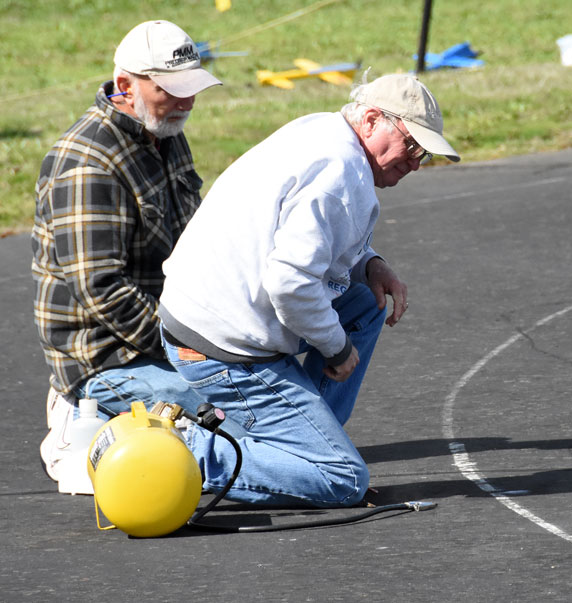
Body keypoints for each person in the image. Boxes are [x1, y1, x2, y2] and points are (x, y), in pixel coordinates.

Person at [158, 73, 460, 507]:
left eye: (423, 155)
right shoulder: (340, 173)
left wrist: (369, 263)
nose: (414, 163)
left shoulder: (321, 131)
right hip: (222, 348)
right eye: (412, 146)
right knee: (342, 480)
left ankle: (305, 441)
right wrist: (337, 349)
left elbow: (306, 238)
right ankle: (187, 454)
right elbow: (291, 283)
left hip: (203, 317)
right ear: (372, 120)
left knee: (365, 304)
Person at [33, 20, 222, 486]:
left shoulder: (165, 131)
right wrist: (189, 347)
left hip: (171, 332)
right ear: (124, 85)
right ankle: (80, 419)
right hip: (108, 357)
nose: (187, 101)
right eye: (171, 90)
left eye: (192, 88)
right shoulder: (86, 161)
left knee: (268, 396)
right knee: (232, 418)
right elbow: (102, 290)